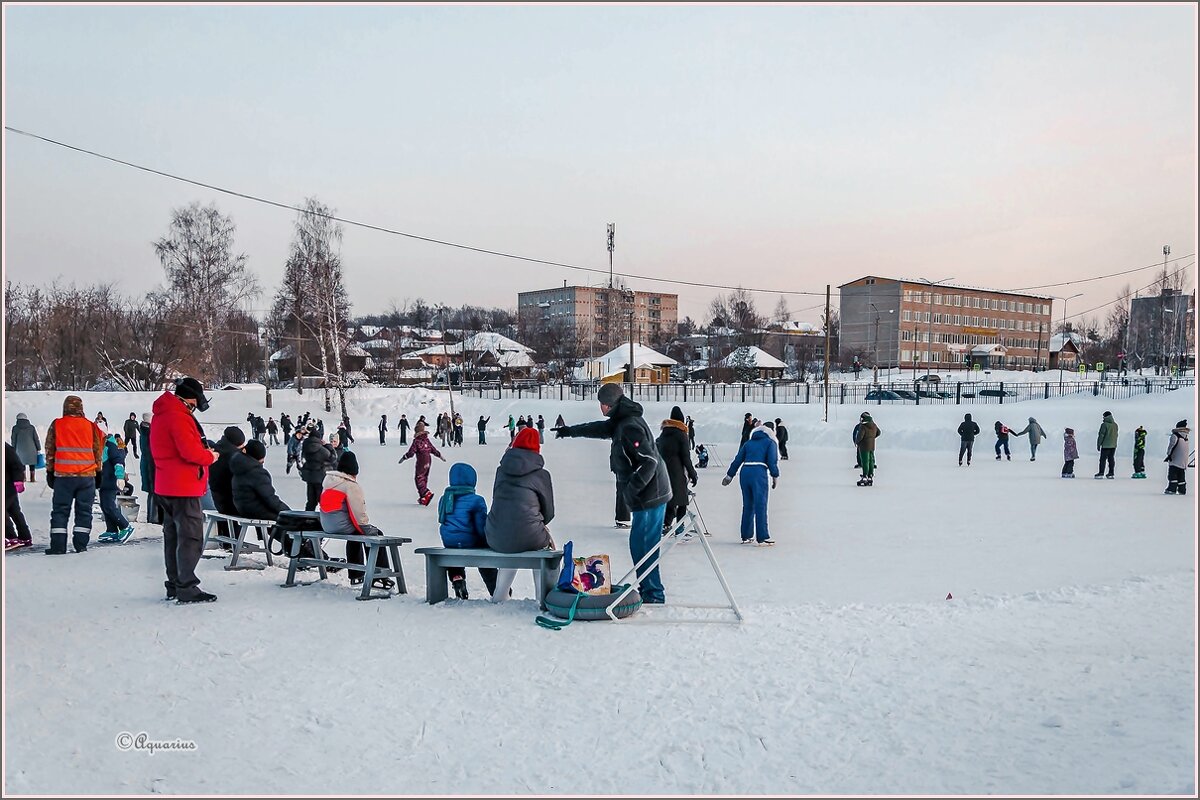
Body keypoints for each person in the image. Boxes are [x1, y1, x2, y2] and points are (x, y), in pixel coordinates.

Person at [553, 383, 671, 604]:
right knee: (640, 545)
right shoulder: (621, 421)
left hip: (650, 494)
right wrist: (570, 431)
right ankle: (650, 590)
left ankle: (654, 593)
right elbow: (599, 428)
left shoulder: (630, 426)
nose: (601, 409)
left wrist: (632, 491)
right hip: (647, 493)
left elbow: (650, 461)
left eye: (602, 404)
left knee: (643, 545)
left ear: (609, 405)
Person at [151, 378, 220, 603]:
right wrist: (210, 456)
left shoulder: (162, 414)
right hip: (183, 486)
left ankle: (174, 583)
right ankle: (187, 586)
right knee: (190, 537)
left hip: (166, 484)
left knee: (173, 537)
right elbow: (190, 452)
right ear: (191, 398)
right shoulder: (178, 417)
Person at [319, 451, 394, 590]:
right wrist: (367, 529)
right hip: (341, 526)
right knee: (375, 534)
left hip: (327, 525)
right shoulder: (350, 486)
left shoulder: (329, 484)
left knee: (355, 536)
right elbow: (358, 514)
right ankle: (380, 576)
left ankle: (356, 575)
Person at [44, 395, 105, 555]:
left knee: (60, 511)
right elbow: (97, 451)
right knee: (84, 511)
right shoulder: (90, 426)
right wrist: (98, 472)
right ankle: (81, 544)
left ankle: (58, 546)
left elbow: (50, 450)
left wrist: (50, 472)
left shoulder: (57, 424)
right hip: (87, 476)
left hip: (63, 477)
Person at [485, 427, 555, 553]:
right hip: (531, 537)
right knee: (542, 546)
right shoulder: (542, 475)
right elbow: (549, 512)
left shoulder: (501, 471)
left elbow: (497, 500)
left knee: (511, 539)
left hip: (496, 537)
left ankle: (503, 574)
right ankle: (541, 573)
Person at [438, 462, 498, 599]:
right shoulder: (477, 500)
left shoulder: (445, 499)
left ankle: (457, 577)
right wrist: (488, 541)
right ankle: (496, 589)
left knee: (454, 555)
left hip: (449, 541)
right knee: (485, 558)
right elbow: (480, 526)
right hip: (470, 541)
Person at [722, 420, 780, 544]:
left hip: (745, 473)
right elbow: (772, 461)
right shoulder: (770, 443)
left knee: (748, 505)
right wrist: (775, 476)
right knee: (761, 504)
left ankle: (746, 535)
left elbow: (738, 459)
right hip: (758, 473)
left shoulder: (748, 443)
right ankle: (763, 536)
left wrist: (729, 475)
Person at [657, 406, 698, 535]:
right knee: (682, 500)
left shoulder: (663, 434)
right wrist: (693, 474)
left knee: (670, 498)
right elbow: (686, 457)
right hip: (676, 471)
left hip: (663, 471)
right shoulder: (681, 434)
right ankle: (680, 528)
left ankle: (666, 524)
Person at [231, 440, 290, 521]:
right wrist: (289, 512)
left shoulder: (239, 466)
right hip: (256, 510)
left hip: (243, 508)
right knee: (285, 521)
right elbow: (270, 499)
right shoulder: (256, 473)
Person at [96, 432, 134, 544]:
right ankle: (112, 530)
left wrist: (120, 477)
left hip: (111, 481)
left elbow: (118, 461)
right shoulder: (99, 445)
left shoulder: (110, 445)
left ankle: (125, 526)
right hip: (103, 482)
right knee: (104, 505)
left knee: (109, 506)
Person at [399, 421, 446, 506]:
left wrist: (404, 457)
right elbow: (433, 449)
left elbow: (411, 453)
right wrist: (440, 456)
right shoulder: (427, 440)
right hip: (428, 460)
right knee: (424, 477)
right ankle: (423, 498)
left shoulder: (416, 441)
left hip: (421, 461)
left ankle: (426, 493)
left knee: (419, 478)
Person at [5, 442, 33, 550]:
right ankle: (25, 537)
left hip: (8, 485)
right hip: (8, 484)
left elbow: (16, 464)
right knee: (14, 510)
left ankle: (10, 537)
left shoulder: (5, 448)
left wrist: (18, 480)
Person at [300, 427, 335, 511]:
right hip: (320, 477)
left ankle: (307, 519)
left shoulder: (306, 446)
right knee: (322, 500)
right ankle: (325, 520)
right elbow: (332, 458)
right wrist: (328, 446)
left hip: (310, 477)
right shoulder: (321, 449)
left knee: (311, 501)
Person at [138, 412, 160, 525]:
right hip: (151, 465)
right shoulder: (149, 432)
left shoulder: (144, 431)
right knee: (154, 491)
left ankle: (153, 516)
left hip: (147, 464)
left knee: (153, 492)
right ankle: (154, 517)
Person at [10, 412, 41, 482]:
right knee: (32, 463)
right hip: (32, 448)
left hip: (20, 449)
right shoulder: (31, 427)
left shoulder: (15, 428)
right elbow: (36, 438)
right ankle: (32, 477)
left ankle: (23, 477)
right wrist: (38, 447)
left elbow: (13, 439)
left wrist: (13, 448)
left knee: (21, 462)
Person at [854, 412, 881, 487]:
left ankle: (865, 476)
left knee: (865, 461)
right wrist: (872, 438)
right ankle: (870, 475)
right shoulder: (874, 425)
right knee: (871, 461)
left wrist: (857, 442)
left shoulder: (863, 426)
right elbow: (879, 432)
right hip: (872, 446)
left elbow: (860, 436)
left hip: (864, 446)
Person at [1164, 420, 1189, 495]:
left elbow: (1171, 446)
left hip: (1175, 459)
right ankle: (1182, 489)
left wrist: (1169, 455)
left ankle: (1172, 489)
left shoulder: (1175, 435)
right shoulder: (1186, 437)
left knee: (1173, 474)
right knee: (1181, 474)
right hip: (1183, 461)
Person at [1095, 411, 1118, 479]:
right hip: (1113, 445)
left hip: (1105, 445)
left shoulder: (1104, 425)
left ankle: (1101, 473)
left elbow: (1101, 435)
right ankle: (1111, 473)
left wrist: (1099, 444)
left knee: (1102, 460)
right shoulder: (1115, 425)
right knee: (1111, 459)